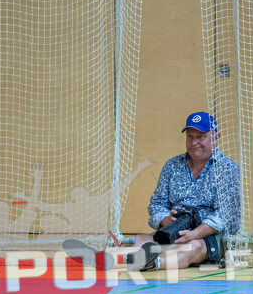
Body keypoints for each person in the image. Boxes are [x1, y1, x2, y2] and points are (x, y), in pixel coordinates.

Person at [64, 111, 241, 272]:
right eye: (190, 137)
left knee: (192, 246)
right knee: (142, 240)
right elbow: (157, 204)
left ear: (216, 138)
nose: (194, 143)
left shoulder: (228, 169)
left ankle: (152, 263)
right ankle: (104, 259)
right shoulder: (172, 165)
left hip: (211, 236)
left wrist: (194, 233)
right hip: (175, 229)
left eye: (201, 137)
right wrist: (166, 220)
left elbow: (225, 215)